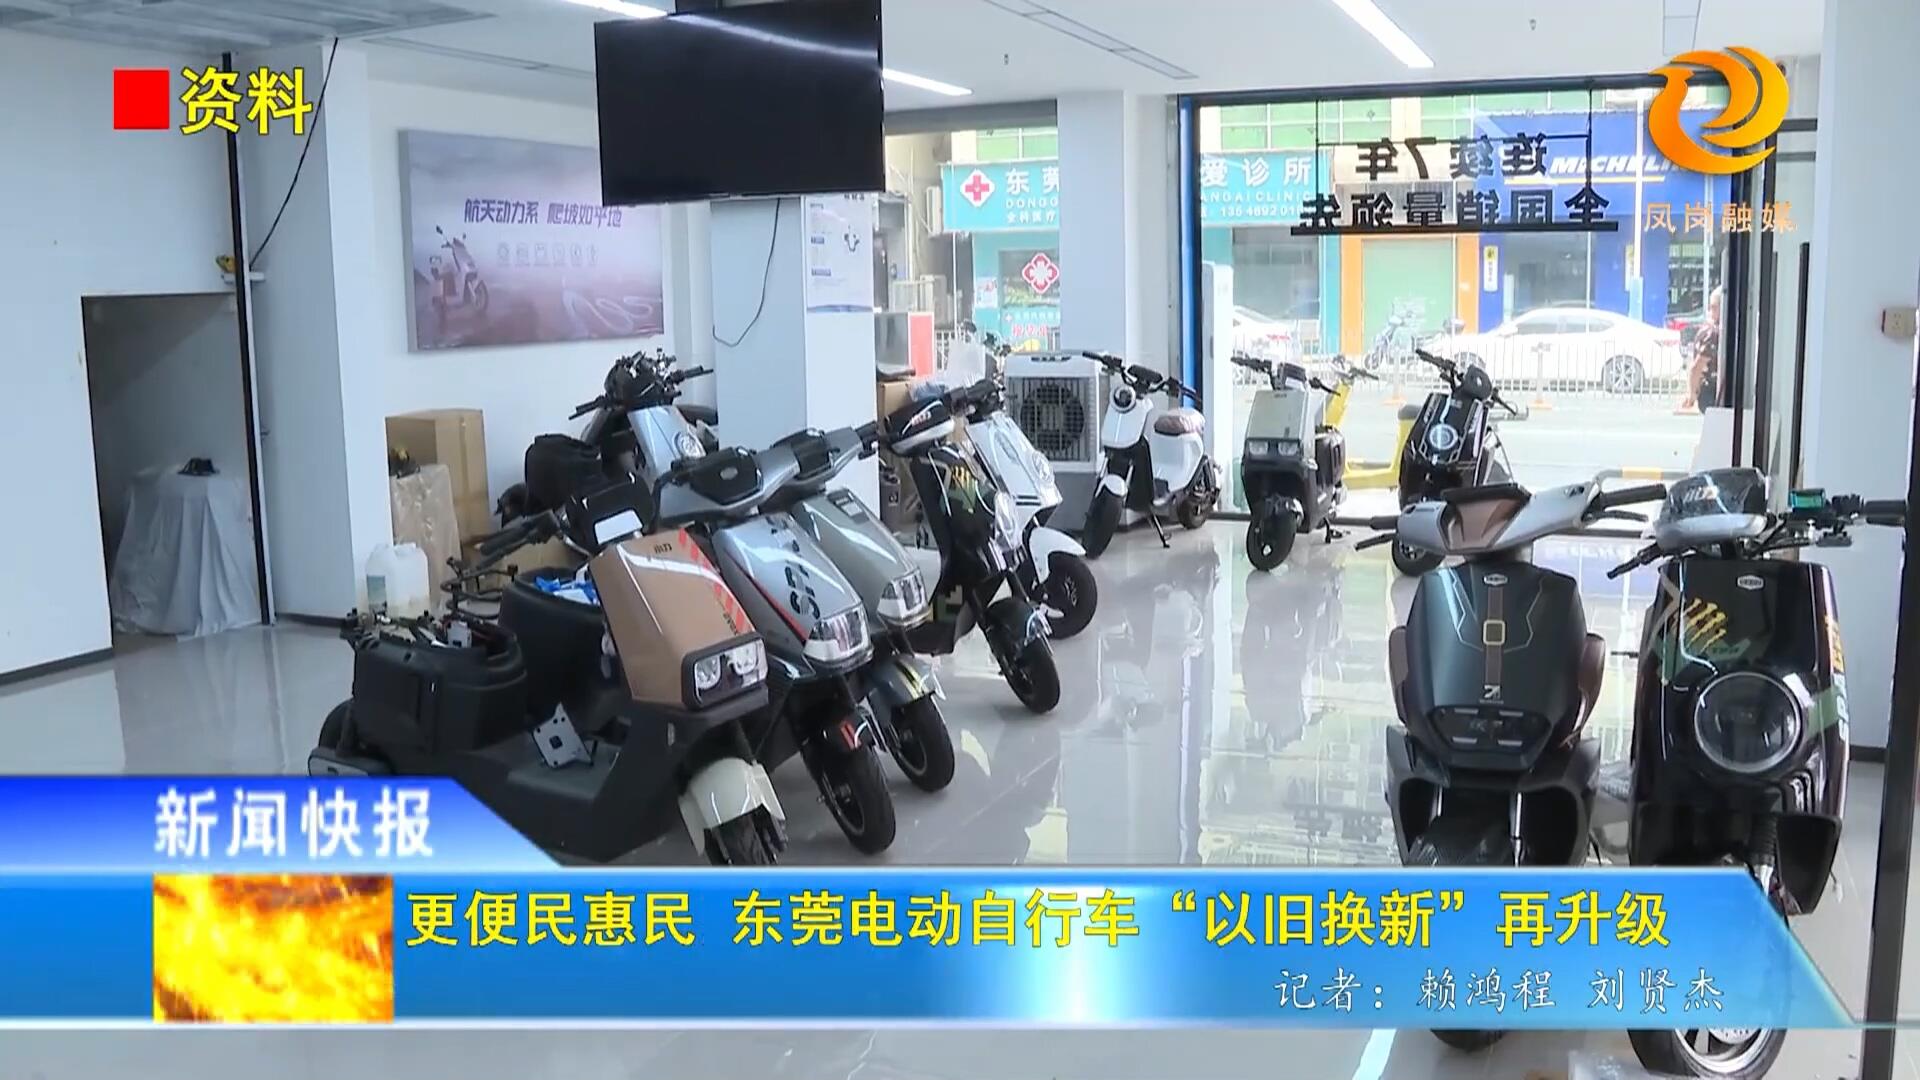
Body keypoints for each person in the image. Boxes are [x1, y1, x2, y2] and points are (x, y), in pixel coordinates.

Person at [1679, 286, 1722, 414]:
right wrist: (1692, 393)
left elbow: (1695, 367)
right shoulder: (1713, 333)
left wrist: (1692, 392)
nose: (1710, 311)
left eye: (1713, 307)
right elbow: (1697, 366)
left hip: (1711, 389)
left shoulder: (1708, 330)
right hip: (1713, 391)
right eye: (1712, 307)